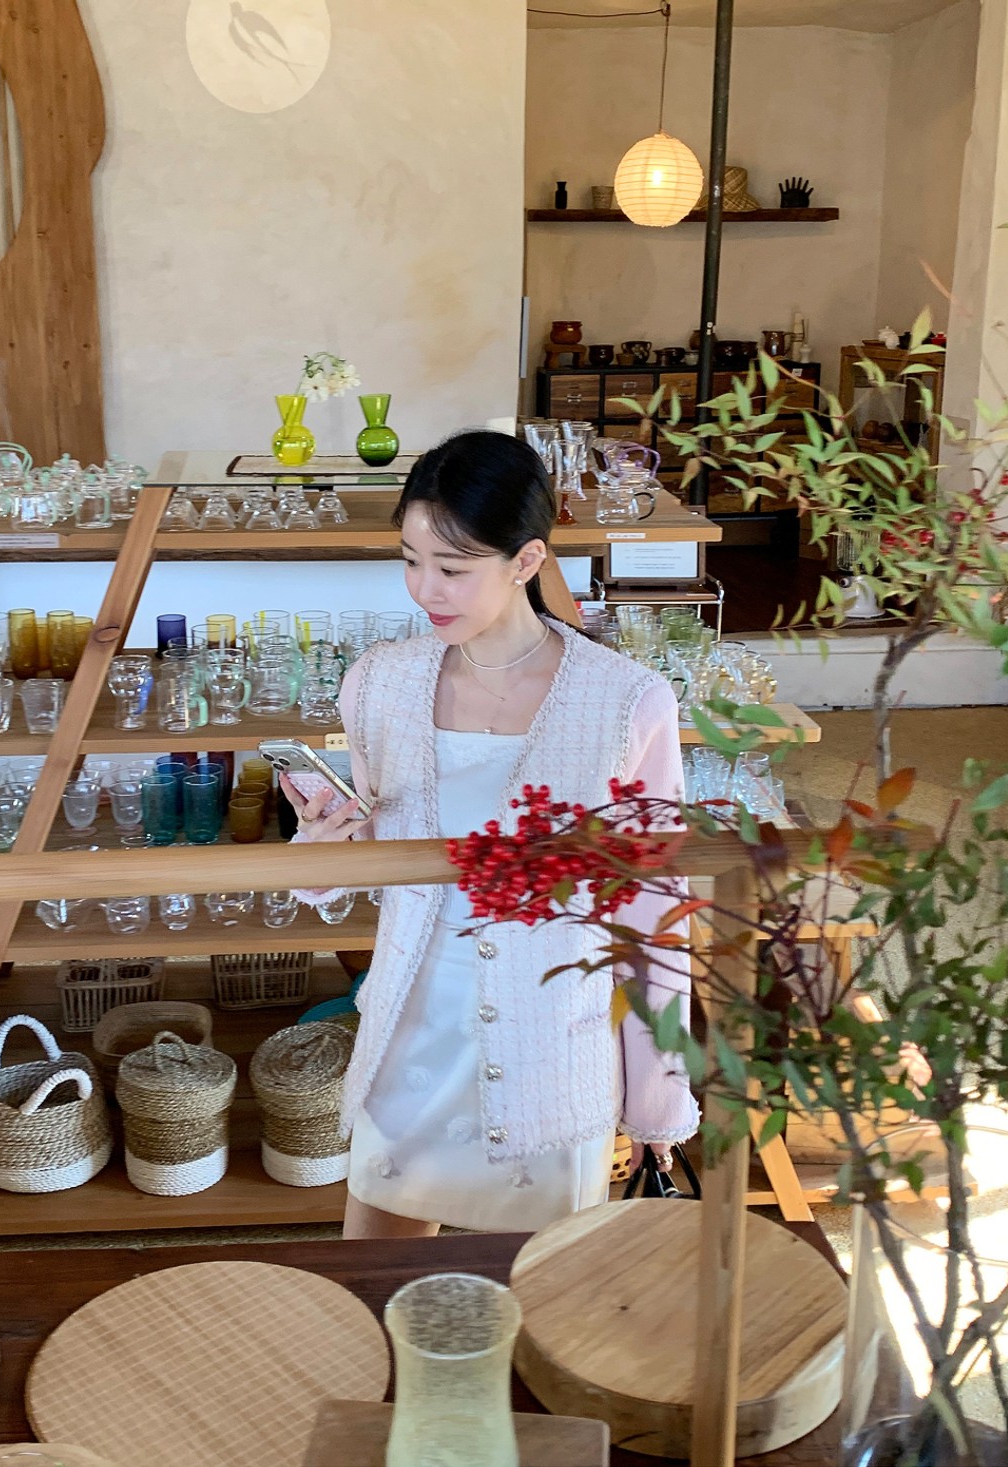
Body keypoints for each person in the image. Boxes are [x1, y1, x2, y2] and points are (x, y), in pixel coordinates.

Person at [282, 429, 698, 1240]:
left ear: (526, 560)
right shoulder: (378, 683)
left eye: (452, 568)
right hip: (411, 1035)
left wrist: (658, 1095)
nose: (424, 589)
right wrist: (321, 849)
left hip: (553, 1047)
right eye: (410, 560)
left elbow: (654, 911)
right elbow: (371, 849)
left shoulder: (626, 701)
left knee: (542, 1294)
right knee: (378, 1283)